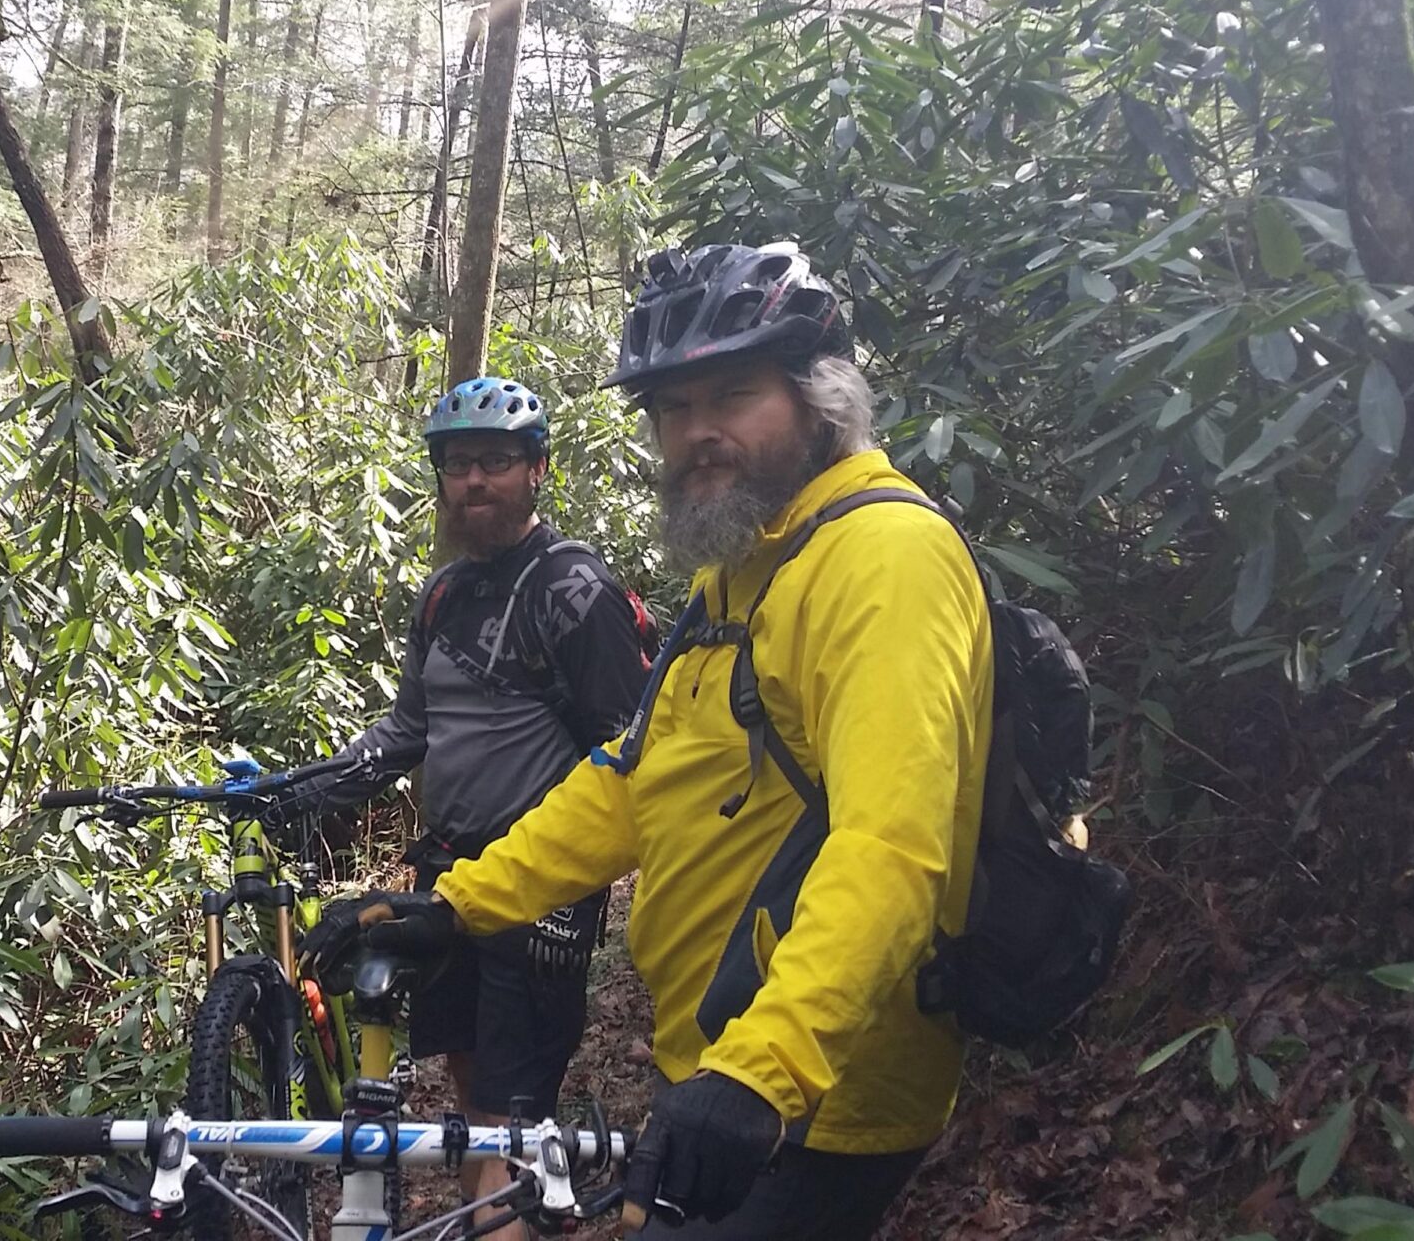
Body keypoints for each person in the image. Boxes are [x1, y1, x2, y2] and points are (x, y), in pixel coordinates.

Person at [309, 243, 993, 1239]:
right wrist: (460, 905)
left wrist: (764, 1070)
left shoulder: (882, 559)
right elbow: (633, 781)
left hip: (811, 1095)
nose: (698, 433)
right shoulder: (747, 567)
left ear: (820, 397)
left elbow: (892, 846)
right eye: (674, 407)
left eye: (733, 395)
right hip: (724, 1064)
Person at [273, 375, 652, 1239]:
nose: (474, 480)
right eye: (457, 464)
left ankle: (499, 1217)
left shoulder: (574, 590)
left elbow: (636, 754)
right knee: (474, 1091)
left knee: (510, 1119)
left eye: (495, 460)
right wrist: (309, 787)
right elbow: (408, 729)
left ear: (536, 469)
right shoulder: (445, 593)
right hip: (445, 877)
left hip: (541, 885)